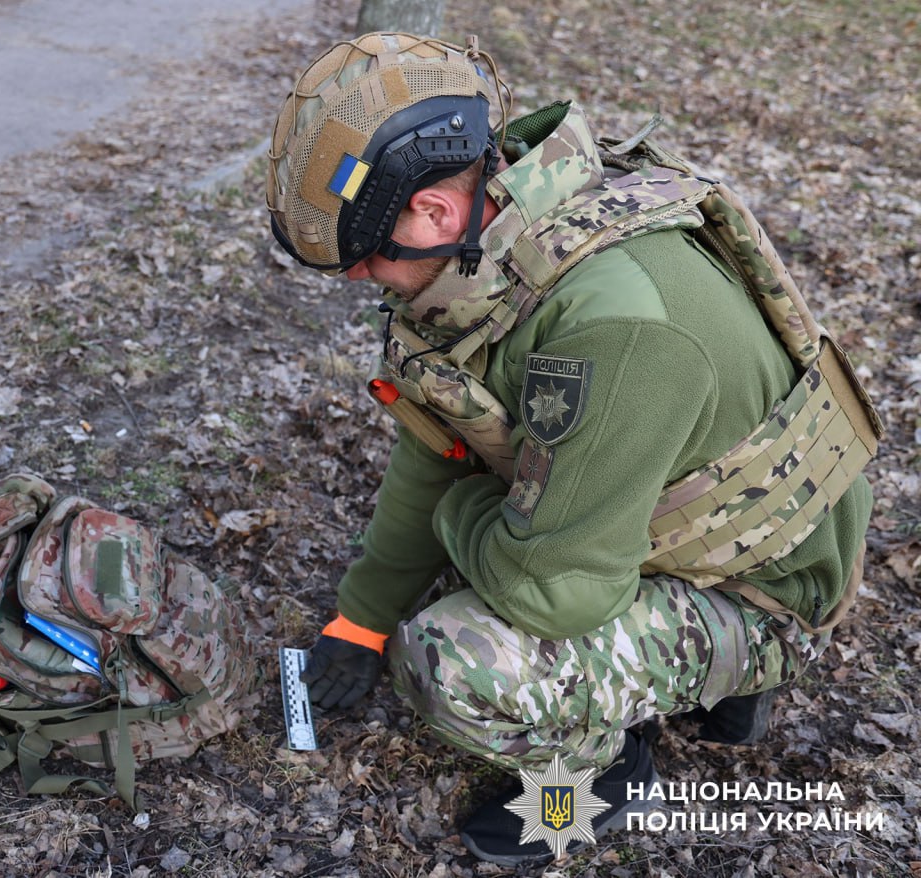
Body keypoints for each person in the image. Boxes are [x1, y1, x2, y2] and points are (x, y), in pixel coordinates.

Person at [265, 32, 877, 866]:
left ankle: (601, 782)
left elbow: (556, 596)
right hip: (707, 510)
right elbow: (444, 433)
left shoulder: (610, 330)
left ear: (435, 213)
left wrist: (462, 509)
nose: (357, 281)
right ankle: (719, 688)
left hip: (766, 585)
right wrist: (362, 617)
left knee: (454, 659)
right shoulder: (513, 226)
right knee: (458, 575)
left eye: (366, 259)